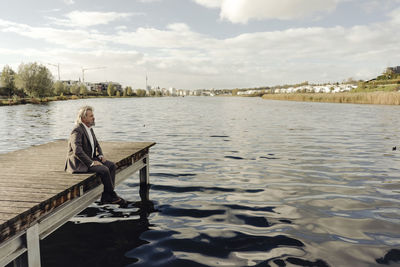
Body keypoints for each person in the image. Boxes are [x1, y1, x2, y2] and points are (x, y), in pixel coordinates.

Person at [65, 105, 126, 205]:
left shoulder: (89, 129)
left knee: (111, 166)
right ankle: (111, 195)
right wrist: (92, 163)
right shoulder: (77, 130)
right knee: (104, 170)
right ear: (83, 118)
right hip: (78, 163)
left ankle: (107, 196)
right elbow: (77, 150)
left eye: (93, 115)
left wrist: (100, 155)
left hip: (90, 158)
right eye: (91, 116)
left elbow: (97, 144)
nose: (94, 117)